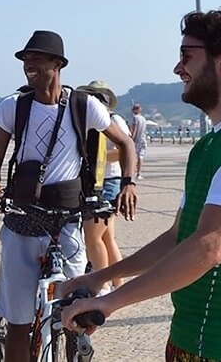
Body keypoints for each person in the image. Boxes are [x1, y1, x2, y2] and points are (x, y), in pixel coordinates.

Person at [60, 8, 221, 362]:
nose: (178, 68)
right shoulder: (208, 145)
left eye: (187, 56)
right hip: (186, 337)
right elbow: (178, 237)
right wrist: (100, 278)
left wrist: (110, 303)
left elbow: (209, 247)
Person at [0, 30, 137, 362]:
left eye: (36, 58)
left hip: (67, 224)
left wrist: (128, 182)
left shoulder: (83, 106)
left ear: (58, 63)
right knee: (19, 324)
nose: (28, 65)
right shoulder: (14, 107)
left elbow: (126, 143)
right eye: (25, 59)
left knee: (74, 317)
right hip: (22, 221)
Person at [77, 80, 130, 294]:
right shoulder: (93, 120)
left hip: (107, 182)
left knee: (93, 236)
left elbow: (125, 148)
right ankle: (118, 284)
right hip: (99, 182)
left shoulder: (113, 120)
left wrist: (99, 157)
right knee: (106, 237)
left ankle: (104, 285)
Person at [129, 103, 147, 180]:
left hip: (136, 140)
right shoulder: (143, 119)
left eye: (134, 109)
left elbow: (134, 130)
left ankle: (132, 172)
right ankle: (139, 173)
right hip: (143, 140)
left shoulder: (135, 118)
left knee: (133, 156)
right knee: (140, 156)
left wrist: (130, 139)